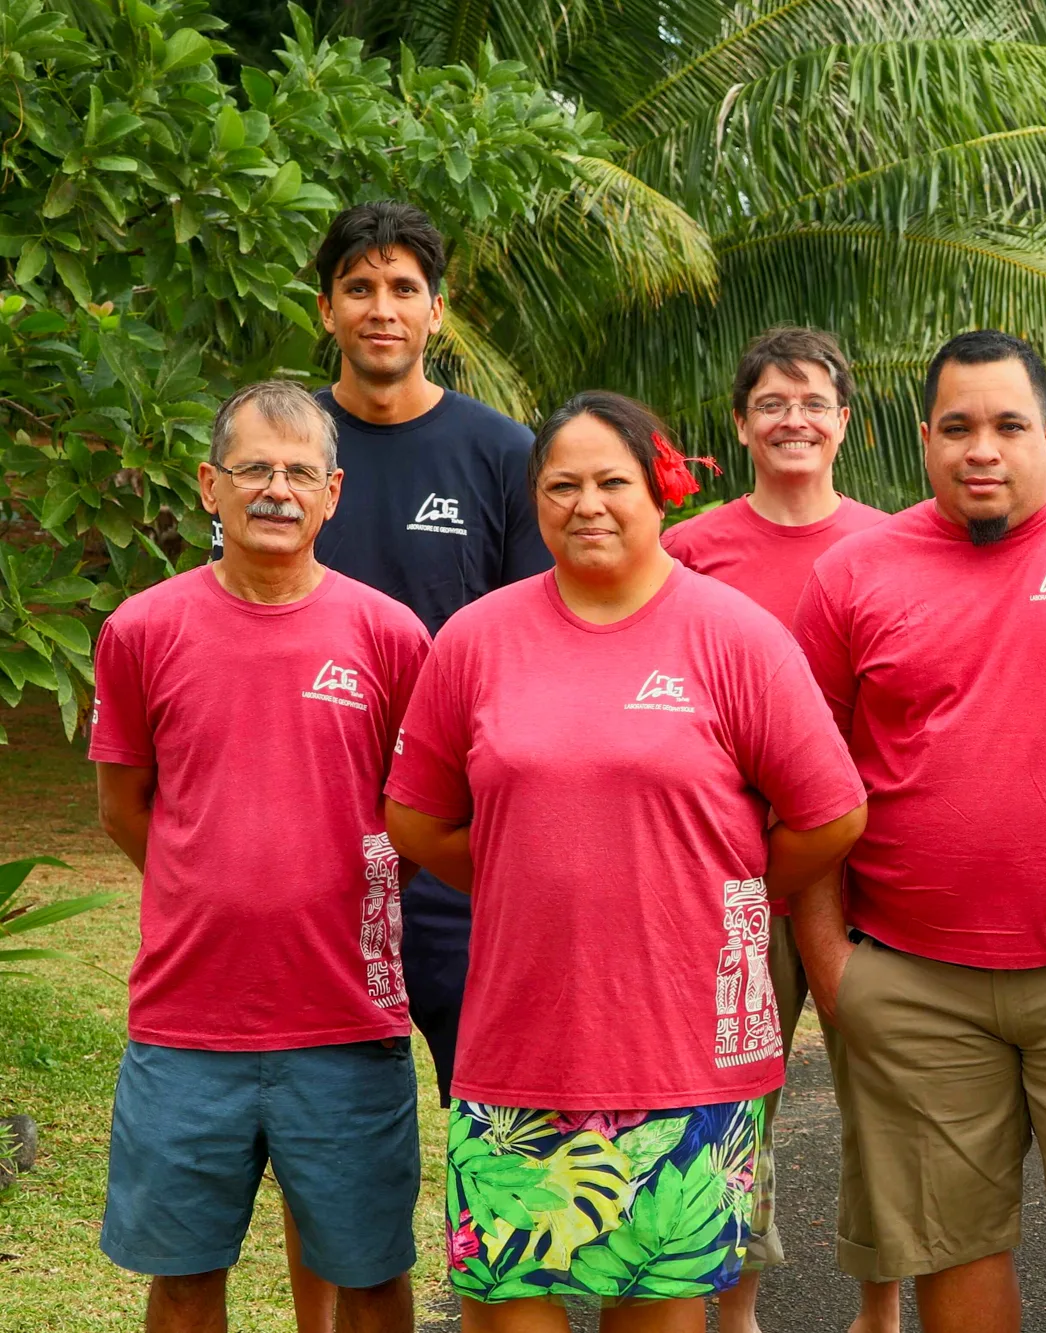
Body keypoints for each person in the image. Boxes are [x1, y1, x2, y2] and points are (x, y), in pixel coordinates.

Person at [383, 391, 868, 1333]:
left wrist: (721, 885)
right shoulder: (477, 639)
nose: (587, 504)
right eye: (561, 486)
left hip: (681, 1053)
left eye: (612, 481)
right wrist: (520, 874)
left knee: (660, 1311)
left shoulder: (735, 636)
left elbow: (832, 813)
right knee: (504, 1308)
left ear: (660, 491)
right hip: (518, 1052)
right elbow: (416, 815)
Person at [790, 331, 1046, 1333]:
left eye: (1008, 425)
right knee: (952, 1241)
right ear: (924, 441)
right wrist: (829, 958)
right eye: (957, 427)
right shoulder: (851, 575)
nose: (981, 448)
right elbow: (806, 774)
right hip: (914, 979)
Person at [91, 381, 432, 1333]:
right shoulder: (142, 629)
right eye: (254, 469)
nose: (276, 490)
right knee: (184, 1275)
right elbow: (124, 809)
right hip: (187, 1023)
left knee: (370, 1273)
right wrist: (212, 883)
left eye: (299, 473)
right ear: (211, 485)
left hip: (348, 1019)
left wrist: (342, 889)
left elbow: (417, 816)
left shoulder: (391, 635)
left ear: (332, 493)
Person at [276, 199, 553, 1333]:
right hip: (314, 854)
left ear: (438, 312)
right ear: (327, 308)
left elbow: (537, 644)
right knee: (318, 1139)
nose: (381, 309)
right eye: (360, 287)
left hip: (456, 853)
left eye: (403, 289)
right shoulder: (289, 453)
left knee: (499, 1120)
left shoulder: (500, 453)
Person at [661, 326, 896, 1333]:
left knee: (882, 1098)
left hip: (870, 871)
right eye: (771, 403)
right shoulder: (687, 553)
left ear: (844, 422)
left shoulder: (894, 544)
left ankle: (879, 1311)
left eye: (812, 402)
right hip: (729, 874)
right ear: (740, 424)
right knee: (731, 1096)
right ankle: (737, 1311)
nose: (792, 420)